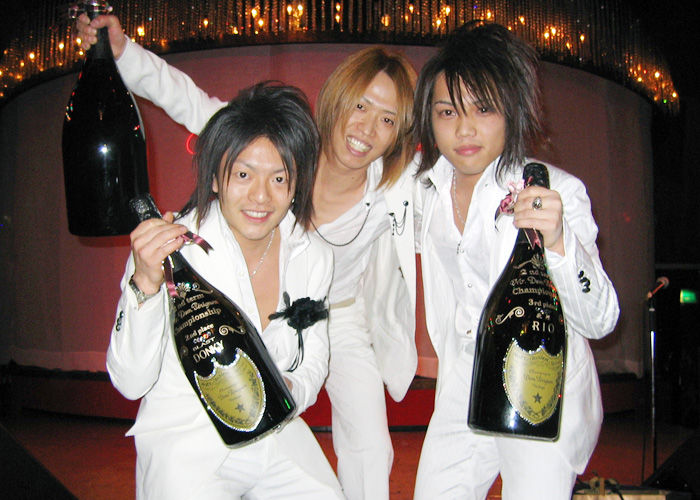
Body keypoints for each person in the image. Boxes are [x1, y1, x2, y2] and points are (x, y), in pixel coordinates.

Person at [78, 14, 419, 500]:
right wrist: (122, 53)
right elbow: (186, 98)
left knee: (370, 448)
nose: (367, 127)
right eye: (361, 105)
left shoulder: (393, 188)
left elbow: (465, 161)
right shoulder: (275, 144)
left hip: (340, 315)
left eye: (388, 119)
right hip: (196, 426)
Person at [411, 21, 620, 499]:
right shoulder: (424, 189)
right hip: (466, 377)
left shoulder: (556, 191)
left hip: (539, 378)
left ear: (511, 110)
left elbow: (602, 319)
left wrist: (560, 243)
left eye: (483, 108)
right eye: (448, 111)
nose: (464, 129)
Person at [107, 82, 344, 499]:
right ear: (216, 177)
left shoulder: (314, 255)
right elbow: (130, 382)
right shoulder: (172, 250)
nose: (260, 196)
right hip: (189, 440)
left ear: (296, 185)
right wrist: (145, 283)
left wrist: (290, 391)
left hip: (275, 431)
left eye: (279, 178)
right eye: (244, 174)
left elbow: (314, 357)